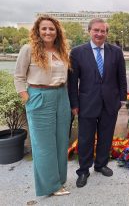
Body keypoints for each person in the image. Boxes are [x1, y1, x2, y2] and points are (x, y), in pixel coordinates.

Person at [14, 15, 71, 196]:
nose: (48, 32)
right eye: (44, 28)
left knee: (62, 141)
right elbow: (19, 77)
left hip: (61, 96)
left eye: (51, 29)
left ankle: (60, 179)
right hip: (39, 96)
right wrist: (27, 98)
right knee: (44, 145)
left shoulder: (61, 50)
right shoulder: (28, 49)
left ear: (57, 32)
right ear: (38, 31)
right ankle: (50, 186)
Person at [68, 18, 127, 188]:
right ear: (89, 31)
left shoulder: (116, 51)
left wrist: (122, 99)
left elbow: (121, 77)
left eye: (103, 31)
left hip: (110, 102)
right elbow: (73, 82)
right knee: (85, 138)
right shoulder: (77, 52)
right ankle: (84, 170)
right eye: (96, 30)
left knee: (106, 136)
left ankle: (101, 164)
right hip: (86, 103)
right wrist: (74, 104)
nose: (99, 34)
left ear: (107, 33)